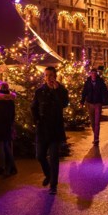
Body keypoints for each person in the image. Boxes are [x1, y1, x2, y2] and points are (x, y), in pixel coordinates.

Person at [31, 66, 69, 195]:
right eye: (46, 75)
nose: (48, 77)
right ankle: (49, 175)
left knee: (53, 158)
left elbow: (63, 104)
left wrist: (56, 91)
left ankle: (53, 185)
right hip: (42, 128)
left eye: (50, 75)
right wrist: (36, 120)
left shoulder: (61, 90)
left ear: (55, 76)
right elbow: (34, 107)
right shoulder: (39, 91)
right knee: (40, 156)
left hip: (55, 128)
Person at [80, 68, 108, 145]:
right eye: (92, 73)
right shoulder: (87, 82)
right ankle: (96, 135)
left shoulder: (100, 82)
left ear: (96, 74)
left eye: (95, 73)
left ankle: (96, 138)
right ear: (90, 74)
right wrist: (82, 101)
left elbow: (105, 92)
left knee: (97, 122)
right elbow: (84, 92)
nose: (93, 75)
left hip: (98, 103)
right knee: (92, 122)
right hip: (89, 103)